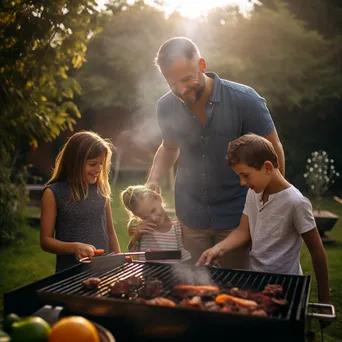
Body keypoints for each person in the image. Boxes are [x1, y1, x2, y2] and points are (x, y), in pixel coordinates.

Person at [145, 36, 285, 268]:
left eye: (187, 79)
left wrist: (275, 199)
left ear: (202, 65)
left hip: (237, 215)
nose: (181, 90)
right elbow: (169, 146)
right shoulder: (166, 106)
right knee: (197, 287)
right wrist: (153, 179)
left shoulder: (245, 100)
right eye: (172, 84)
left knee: (240, 286)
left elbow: (273, 149)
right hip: (190, 214)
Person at [197, 134, 330, 304]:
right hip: (257, 281)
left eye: (245, 175)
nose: (242, 183)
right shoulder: (254, 193)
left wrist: (324, 299)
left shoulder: (296, 203)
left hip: (286, 286)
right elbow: (243, 231)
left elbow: (317, 251)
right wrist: (219, 248)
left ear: (267, 167)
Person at [40, 131, 121, 272]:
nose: (98, 169)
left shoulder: (100, 191)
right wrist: (75, 247)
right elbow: (46, 241)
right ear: (75, 163)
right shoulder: (53, 193)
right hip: (70, 272)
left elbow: (110, 233)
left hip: (104, 269)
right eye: (92, 164)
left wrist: (120, 259)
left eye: (101, 164)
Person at [121, 185, 192, 263]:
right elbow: (132, 253)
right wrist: (136, 236)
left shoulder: (177, 228)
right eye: (145, 217)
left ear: (159, 199)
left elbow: (185, 258)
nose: (154, 218)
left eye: (153, 210)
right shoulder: (143, 231)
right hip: (149, 273)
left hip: (173, 273)